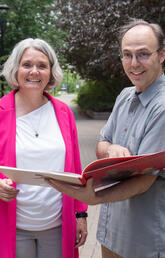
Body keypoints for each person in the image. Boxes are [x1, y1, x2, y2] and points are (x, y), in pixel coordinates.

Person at [47, 18, 165, 258]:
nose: (134, 64)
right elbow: (102, 144)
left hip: (143, 241)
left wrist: (94, 197)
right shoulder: (124, 96)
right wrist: (111, 149)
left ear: (162, 55)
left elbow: (145, 179)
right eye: (127, 54)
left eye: (143, 54)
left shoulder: (162, 107)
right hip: (111, 233)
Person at [0, 38, 88, 258]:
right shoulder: (1, 112)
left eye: (42, 66)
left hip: (57, 226)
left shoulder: (63, 112)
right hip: (12, 226)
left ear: (50, 72)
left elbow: (76, 167)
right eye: (27, 64)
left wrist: (81, 215)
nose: (34, 72)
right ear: (16, 69)